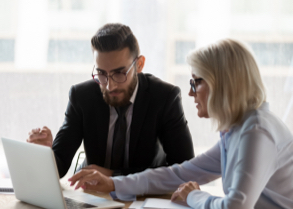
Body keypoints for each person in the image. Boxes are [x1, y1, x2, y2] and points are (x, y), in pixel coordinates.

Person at [68, 39, 293, 209]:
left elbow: (235, 206)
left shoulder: (257, 131)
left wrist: (193, 195)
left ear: (222, 84)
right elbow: (179, 174)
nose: (190, 92)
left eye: (196, 82)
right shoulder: (238, 129)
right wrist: (114, 184)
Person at [26, 23, 194, 178]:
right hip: (91, 194)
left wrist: (113, 175)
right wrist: (45, 155)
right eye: (101, 74)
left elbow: (185, 169)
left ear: (139, 65)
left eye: (119, 73)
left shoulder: (165, 97)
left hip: (143, 197)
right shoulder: (81, 97)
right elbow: (60, 165)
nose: (109, 86)